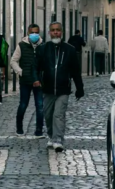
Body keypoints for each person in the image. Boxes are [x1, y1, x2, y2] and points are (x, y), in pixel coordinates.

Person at [36, 21, 84, 151]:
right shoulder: (43, 49)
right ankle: (51, 136)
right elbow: (36, 67)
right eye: (53, 30)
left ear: (61, 32)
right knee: (48, 114)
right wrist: (36, 80)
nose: (55, 32)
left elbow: (75, 71)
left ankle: (58, 140)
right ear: (49, 32)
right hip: (47, 88)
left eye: (57, 30)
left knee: (58, 114)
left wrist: (80, 88)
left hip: (63, 89)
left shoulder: (70, 50)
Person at [11, 23, 45, 136]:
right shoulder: (21, 45)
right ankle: (19, 129)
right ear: (28, 33)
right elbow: (13, 61)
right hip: (25, 80)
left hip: (39, 81)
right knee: (23, 105)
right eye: (32, 32)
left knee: (40, 106)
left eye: (36, 32)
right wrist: (20, 72)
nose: (34, 34)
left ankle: (39, 130)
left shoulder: (42, 45)